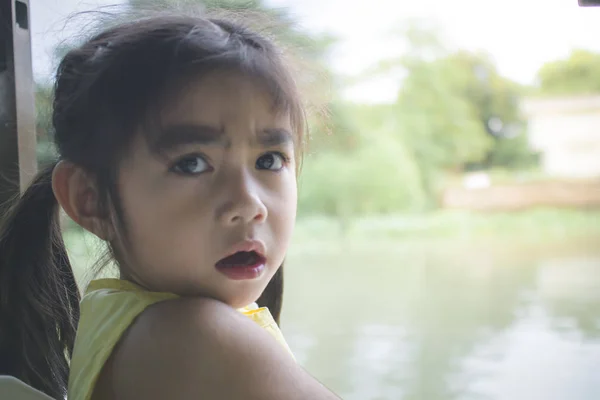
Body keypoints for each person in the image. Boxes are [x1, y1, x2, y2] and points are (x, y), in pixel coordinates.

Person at [0, 14, 340, 400]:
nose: (249, 204)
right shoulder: (194, 335)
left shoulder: (115, 313)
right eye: (191, 163)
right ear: (89, 199)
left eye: (269, 160)